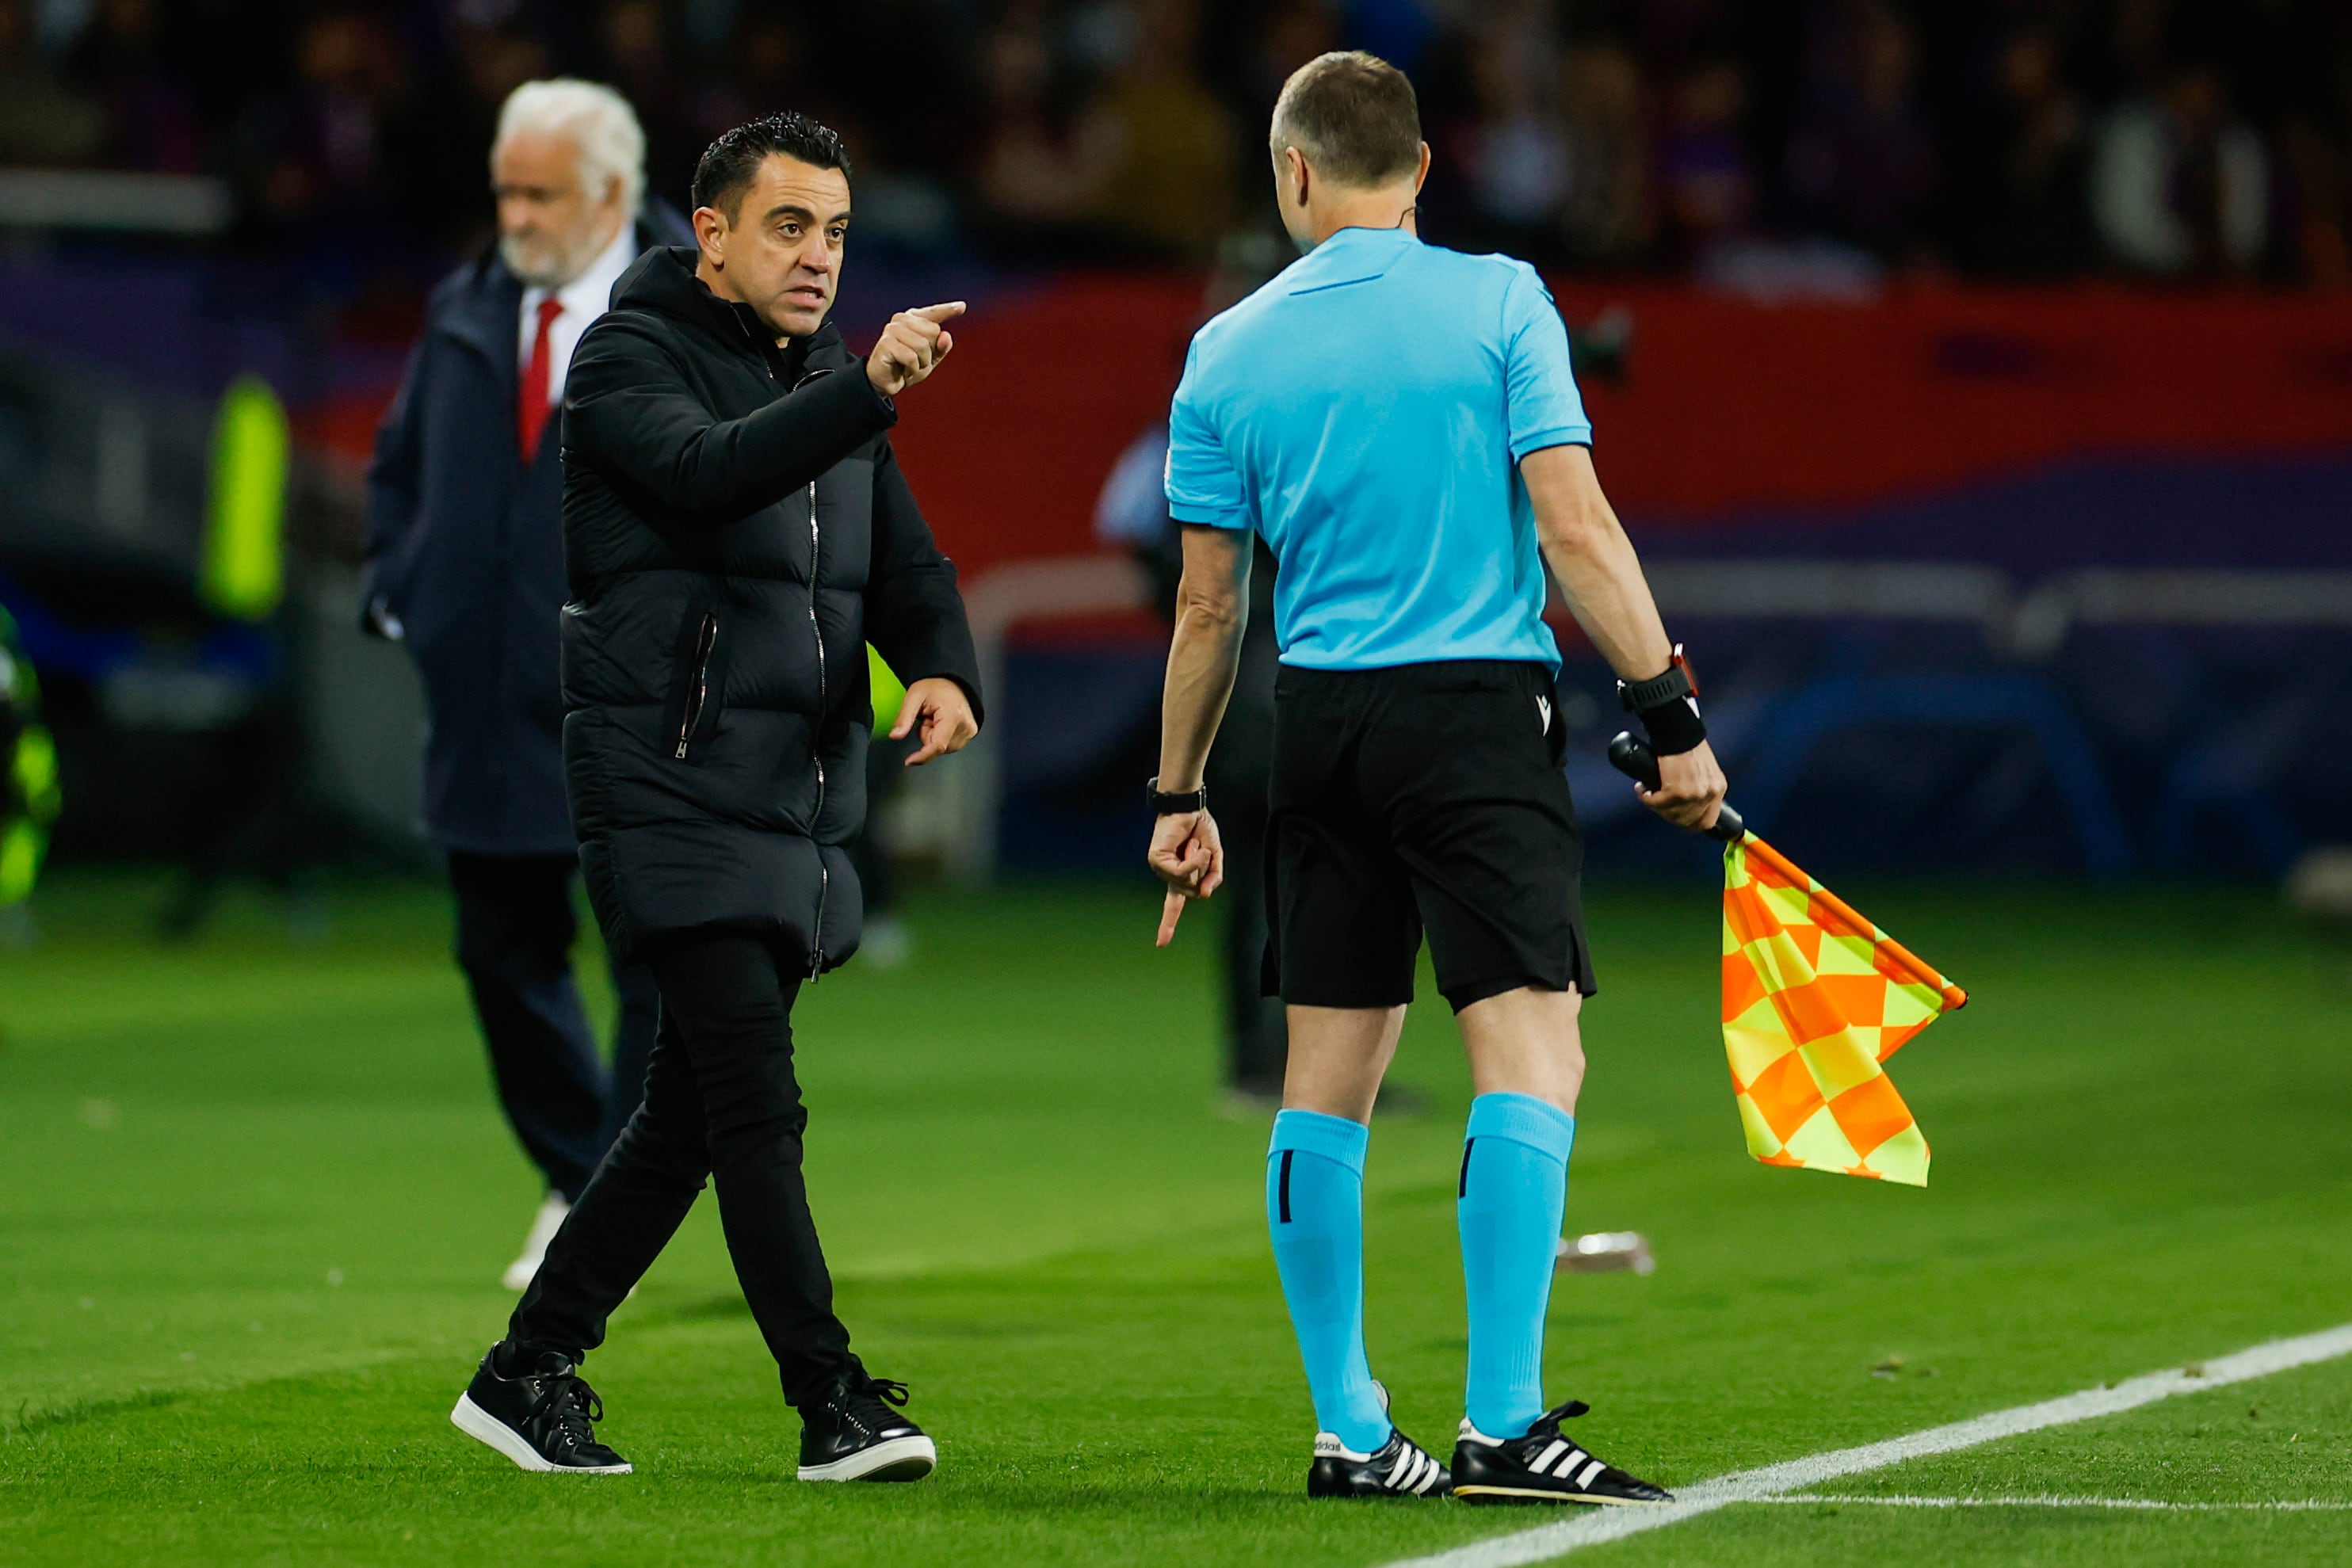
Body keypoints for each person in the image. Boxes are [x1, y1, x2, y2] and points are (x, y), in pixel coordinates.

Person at [1147, 52, 1727, 1504]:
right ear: (1419, 172)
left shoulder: (1224, 353)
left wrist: (1177, 796)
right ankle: (1504, 1425)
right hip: (1473, 717)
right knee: (1533, 1055)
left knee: (1323, 1080)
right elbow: (1576, 523)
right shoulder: (1501, 300)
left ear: (1291, 173)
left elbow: (1208, 613)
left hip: (1316, 726)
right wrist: (1668, 716)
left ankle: (1352, 1431)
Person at [449, 112, 983, 1484]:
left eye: (839, 233)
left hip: (792, 795)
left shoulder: (823, 382)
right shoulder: (627, 355)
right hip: (663, 779)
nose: (819, 257)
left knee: (687, 1116)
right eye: (791, 227)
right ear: (713, 233)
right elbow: (704, 473)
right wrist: (867, 387)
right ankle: (832, 1399)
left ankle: (527, 1371)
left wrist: (938, 670)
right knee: (754, 1099)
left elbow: (909, 567)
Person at [364, 79, 688, 1291]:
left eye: (537, 191)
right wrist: (404, 593)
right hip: (487, 691)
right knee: (500, 952)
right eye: (505, 187)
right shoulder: (466, 305)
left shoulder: (703, 309)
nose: (513, 212)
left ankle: (613, 1198)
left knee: (661, 959)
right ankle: (581, 1176)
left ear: (611, 193)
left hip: (644, 698)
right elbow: (398, 474)